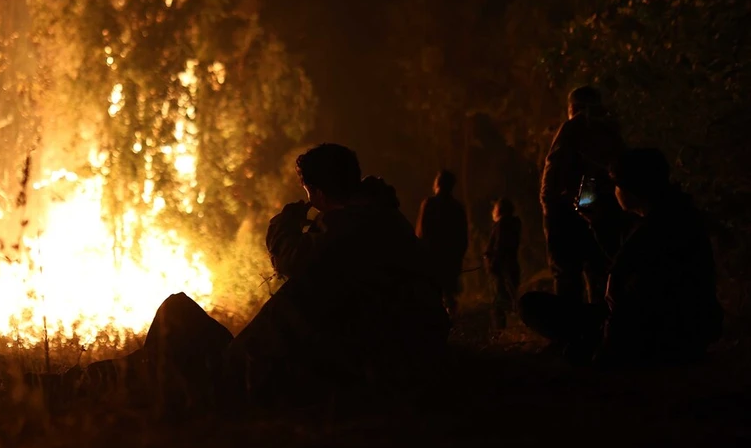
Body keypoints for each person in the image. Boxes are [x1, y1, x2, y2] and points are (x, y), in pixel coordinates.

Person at [96, 143, 450, 407]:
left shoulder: (351, 228)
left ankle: (97, 386)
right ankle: (103, 380)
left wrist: (283, 226)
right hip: (338, 358)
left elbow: (292, 262)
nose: (310, 201)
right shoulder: (383, 218)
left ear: (322, 192)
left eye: (310, 193)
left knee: (176, 318)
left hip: (287, 370)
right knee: (172, 342)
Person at [520, 149, 723, 368]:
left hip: (658, 332)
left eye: (615, 185)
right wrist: (596, 221)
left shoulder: (654, 228)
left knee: (532, 306)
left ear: (630, 189)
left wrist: (604, 351)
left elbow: (623, 290)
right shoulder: (675, 215)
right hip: (689, 329)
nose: (614, 192)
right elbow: (628, 263)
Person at [540, 86, 625, 304]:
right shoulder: (611, 130)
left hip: (571, 207)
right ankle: (601, 326)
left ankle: (573, 330)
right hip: (605, 207)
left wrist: (549, 206)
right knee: (600, 271)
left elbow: (554, 167)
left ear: (573, 107)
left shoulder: (573, 128)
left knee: (566, 272)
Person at [416, 170, 469, 316]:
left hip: (431, 258)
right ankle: (451, 322)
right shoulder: (457, 208)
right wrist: (458, 256)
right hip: (450, 258)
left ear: (437, 184)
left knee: (432, 294)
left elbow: (421, 233)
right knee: (449, 294)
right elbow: (462, 236)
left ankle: (435, 324)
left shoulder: (429, 204)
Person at [484, 198, 521, 330]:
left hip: (501, 269)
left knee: (499, 302)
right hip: (511, 267)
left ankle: (500, 331)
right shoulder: (513, 224)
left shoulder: (502, 224)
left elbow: (499, 246)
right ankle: (514, 327)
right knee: (508, 298)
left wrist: (493, 263)